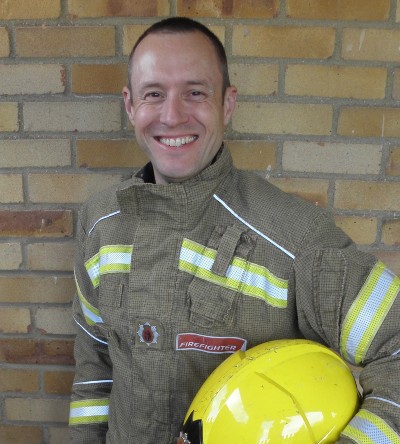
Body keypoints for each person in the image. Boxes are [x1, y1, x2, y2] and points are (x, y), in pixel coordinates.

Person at [69, 16, 400, 444]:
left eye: (195, 92)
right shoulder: (100, 223)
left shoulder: (293, 238)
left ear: (227, 104)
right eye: (154, 94)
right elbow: (94, 369)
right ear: (130, 105)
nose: (172, 115)